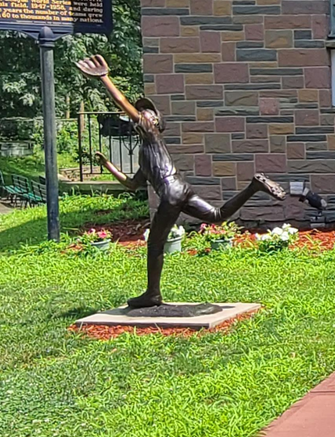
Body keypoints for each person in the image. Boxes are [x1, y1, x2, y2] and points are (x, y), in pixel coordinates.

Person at [76, 54, 287, 308]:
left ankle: (152, 293)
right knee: (217, 215)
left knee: (155, 244)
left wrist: (105, 78)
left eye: (144, 112)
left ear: (152, 121)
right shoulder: (146, 154)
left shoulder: (151, 135)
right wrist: (107, 165)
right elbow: (132, 185)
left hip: (170, 191)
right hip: (180, 187)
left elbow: (121, 101)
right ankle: (254, 186)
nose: (139, 114)